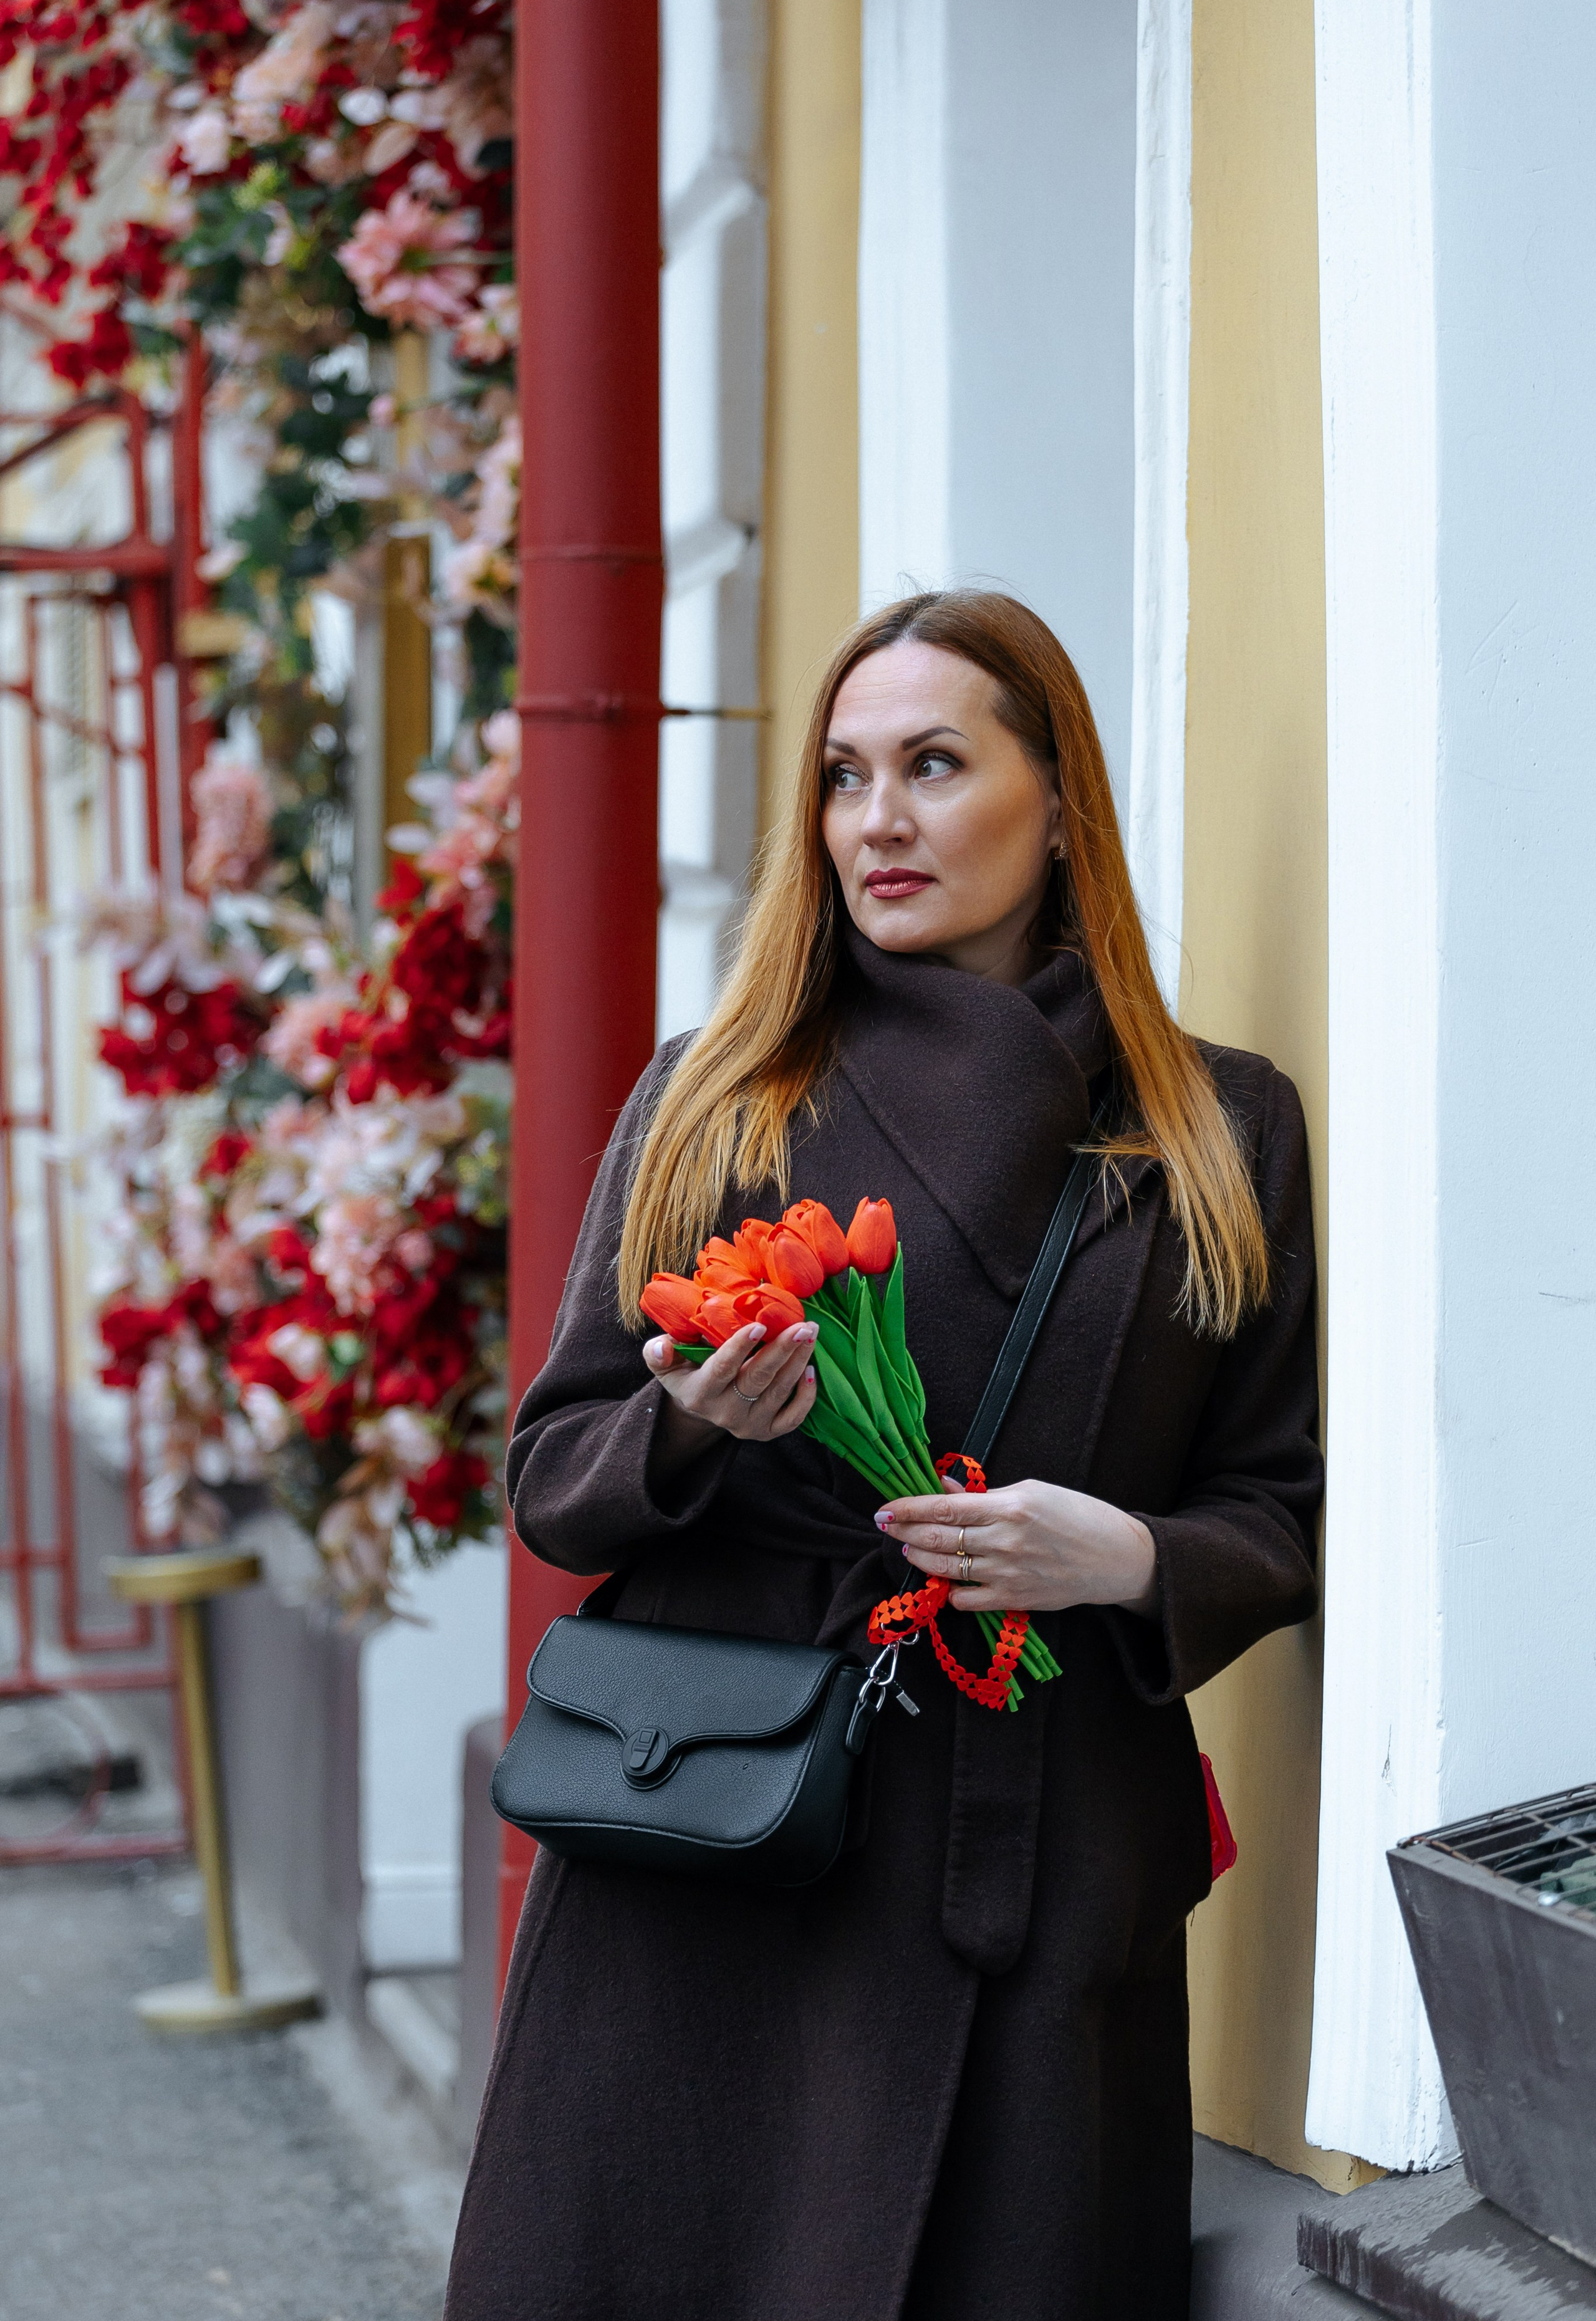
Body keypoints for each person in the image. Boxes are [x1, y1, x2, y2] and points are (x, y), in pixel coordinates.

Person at [445, 590, 1321, 2321]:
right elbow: (553, 1474)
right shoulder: (723, 1094)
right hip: (724, 1843)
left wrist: (1128, 1562)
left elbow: (1280, 1502)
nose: (880, 820)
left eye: (935, 764)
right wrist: (689, 1426)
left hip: (1038, 1848)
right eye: (845, 778)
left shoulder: (1218, 1128)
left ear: (1061, 799)